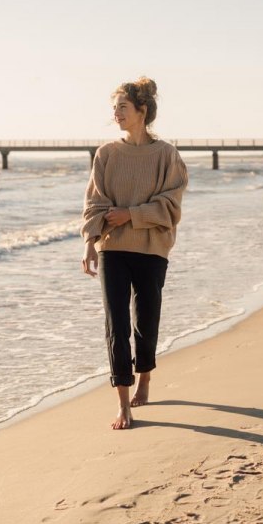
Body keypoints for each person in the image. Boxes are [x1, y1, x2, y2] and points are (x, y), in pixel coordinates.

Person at [81, 78, 188, 430]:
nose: (116, 113)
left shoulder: (166, 155)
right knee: (116, 324)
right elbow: (95, 201)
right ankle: (123, 403)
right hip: (112, 247)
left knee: (146, 320)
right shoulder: (106, 154)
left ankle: (145, 377)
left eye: (122, 107)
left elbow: (171, 205)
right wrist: (89, 241)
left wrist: (132, 214)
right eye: (114, 108)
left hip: (152, 248)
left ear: (142, 111)